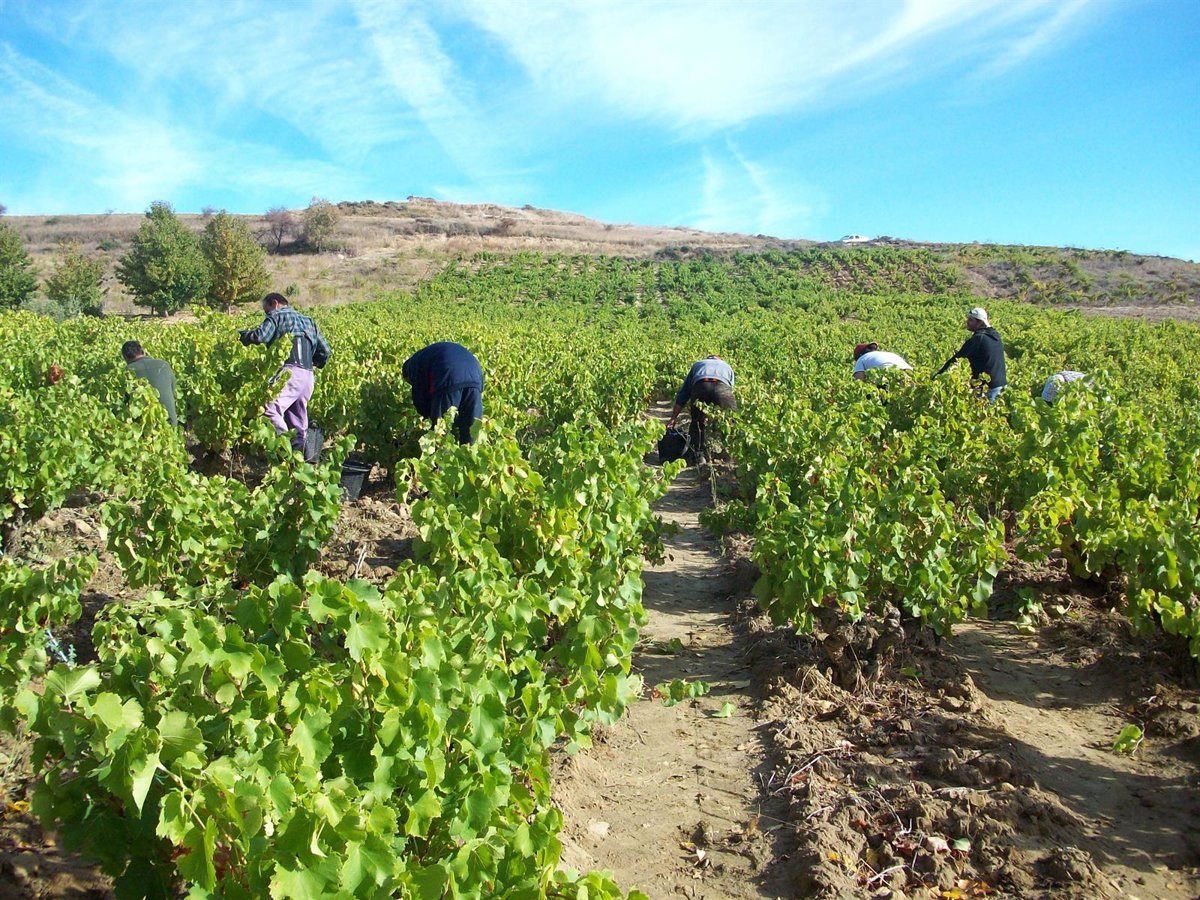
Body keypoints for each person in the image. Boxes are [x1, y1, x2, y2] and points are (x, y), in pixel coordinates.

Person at [239, 292, 331, 455]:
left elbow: (260, 337)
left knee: (269, 409)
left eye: (266, 310)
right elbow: (326, 351)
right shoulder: (309, 321)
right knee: (296, 419)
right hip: (308, 376)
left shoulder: (277, 316)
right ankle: (301, 459)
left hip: (289, 371)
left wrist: (240, 336)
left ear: (275, 303)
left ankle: (285, 447)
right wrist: (315, 363)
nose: (267, 314)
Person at [402, 342, 484, 445]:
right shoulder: (425, 356)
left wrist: (429, 417)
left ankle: (442, 454)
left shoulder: (412, 366)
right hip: (475, 377)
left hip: (449, 377)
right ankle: (468, 453)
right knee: (471, 432)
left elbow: (420, 399)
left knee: (440, 434)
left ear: (407, 375)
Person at [667, 355, 736, 464]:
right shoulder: (727, 366)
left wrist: (673, 418)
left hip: (701, 385)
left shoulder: (698, 364)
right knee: (730, 421)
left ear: (708, 359)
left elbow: (684, 393)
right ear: (719, 359)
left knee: (697, 422)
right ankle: (729, 454)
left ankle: (699, 456)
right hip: (722, 387)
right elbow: (729, 388)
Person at [935, 306, 1007, 402]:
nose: (967, 322)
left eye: (971, 320)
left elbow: (956, 359)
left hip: (988, 389)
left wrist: (937, 377)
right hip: (1000, 385)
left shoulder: (978, 339)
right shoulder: (995, 335)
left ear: (980, 323)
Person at [121, 340, 178, 425]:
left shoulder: (126, 372)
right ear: (143, 351)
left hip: (143, 427)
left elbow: (124, 402)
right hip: (170, 422)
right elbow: (173, 389)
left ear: (125, 358)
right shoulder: (163, 364)